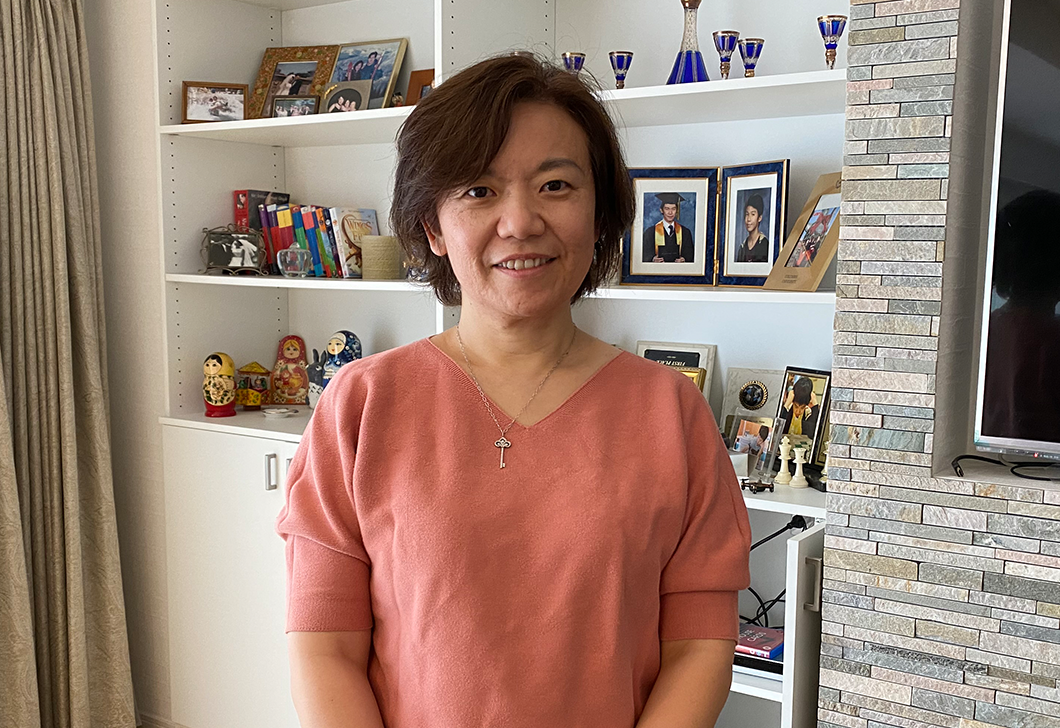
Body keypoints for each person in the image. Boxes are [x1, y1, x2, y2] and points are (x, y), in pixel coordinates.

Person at [276, 54, 750, 728]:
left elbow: (699, 648)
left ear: (600, 215)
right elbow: (324, 649)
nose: (521, 222)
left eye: (555, 185)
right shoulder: (360, 406)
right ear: (434, 228)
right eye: (478, 191)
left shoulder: (669, 412)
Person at [642, 192, 694, 263]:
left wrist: (684, 259)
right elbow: (644, 254)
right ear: (661, 210)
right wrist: (653, 259)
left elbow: (690, 255)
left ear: (676, 211)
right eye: (667, 209)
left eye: (673, 209)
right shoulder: (650, 232)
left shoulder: (685, 232)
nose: (670, 212)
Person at [735, 193, 768, 263]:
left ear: (759, 218)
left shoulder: (765, 245)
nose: (749, 219)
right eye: (747, 214)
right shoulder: (742, 248)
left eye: (753, 214)